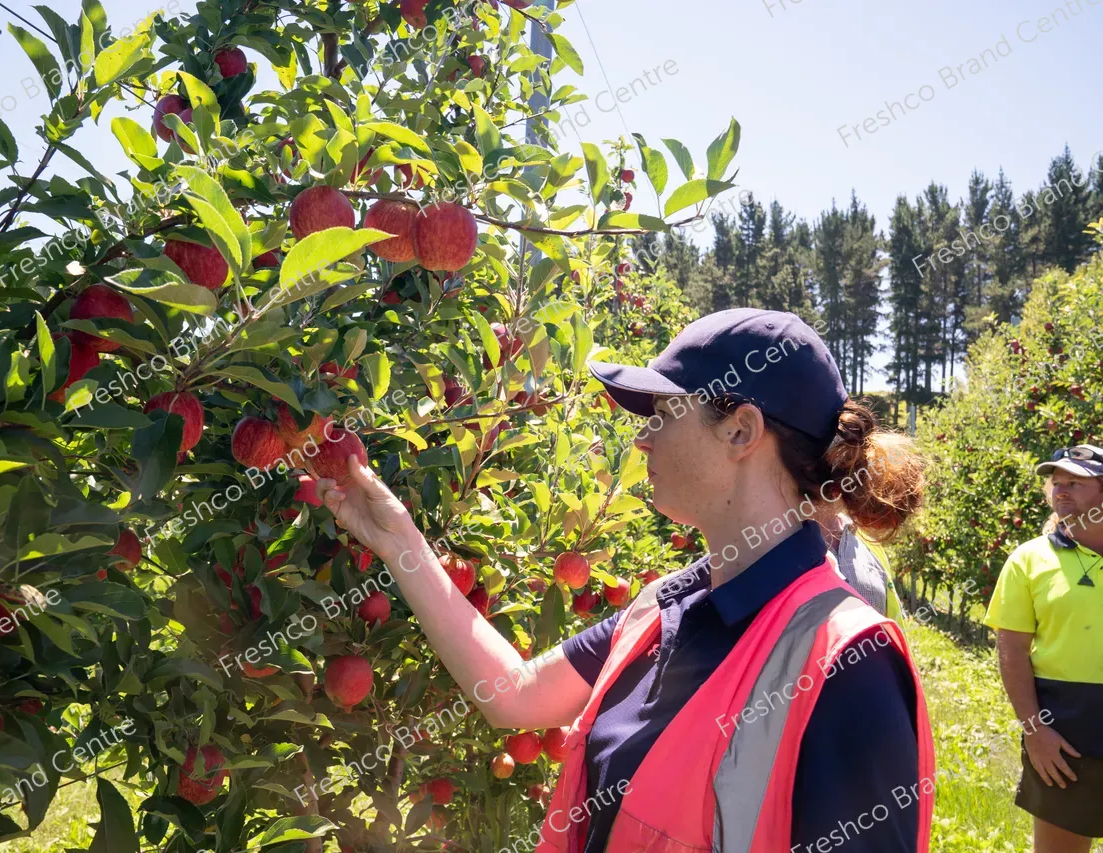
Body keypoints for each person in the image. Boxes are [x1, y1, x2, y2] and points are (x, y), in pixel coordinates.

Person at [316, 309, 934, 852]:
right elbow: (515, 694)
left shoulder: (848, 665)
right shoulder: (668, 606)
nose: (641, 438)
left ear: (741, 431)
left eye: (664, 412)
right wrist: (399, 543)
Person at [984, 445, 1103, 852]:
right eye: (1057, 482)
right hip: (1065, 738)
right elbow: (1012, 650)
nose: (1062, 489)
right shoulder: (1028, 561)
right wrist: (1035, 733)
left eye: (1076, 482)